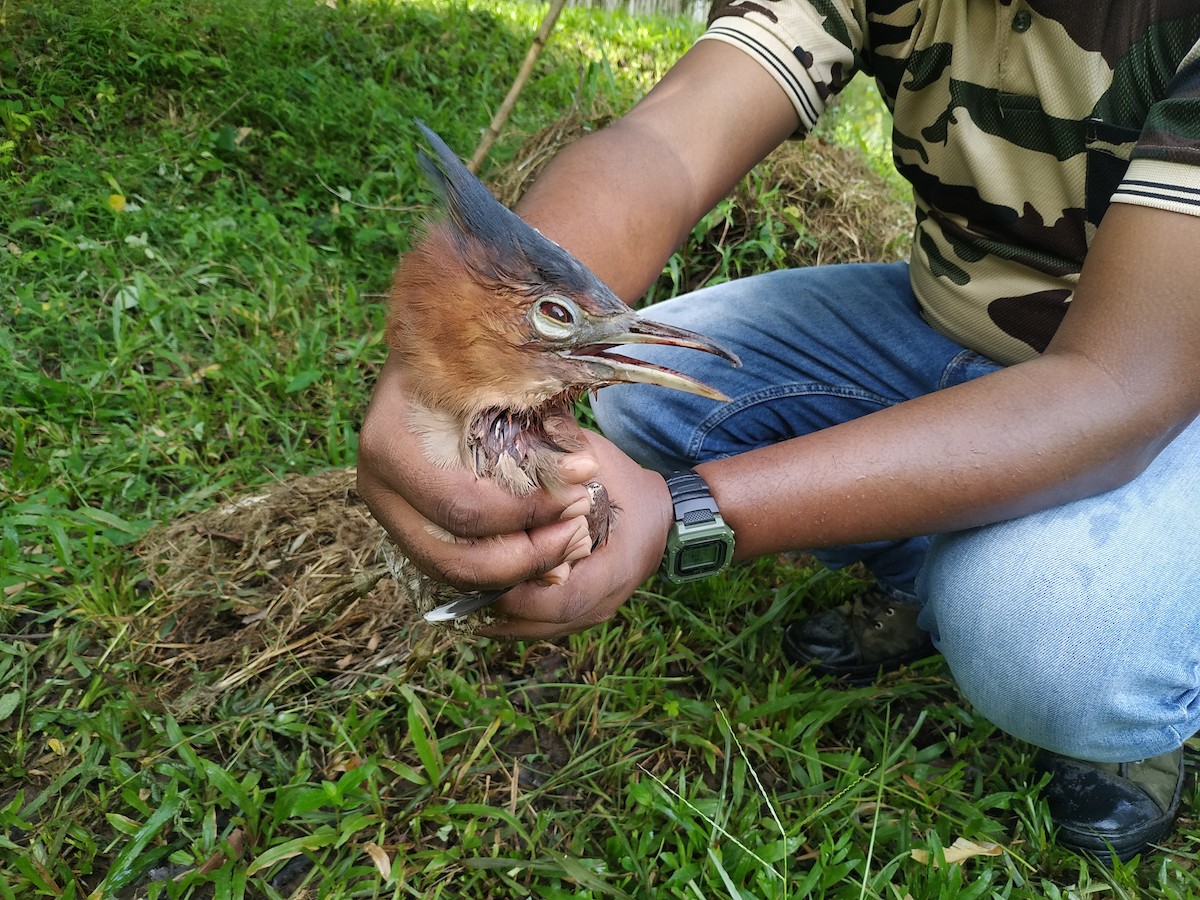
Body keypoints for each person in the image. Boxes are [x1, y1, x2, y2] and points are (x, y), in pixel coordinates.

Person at [359, 1, 1200, 860]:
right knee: (654, 403)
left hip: (1164, 377)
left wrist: (683, 513)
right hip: (949, 321)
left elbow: (1116, 385)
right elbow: (670, 142)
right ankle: (928, 573)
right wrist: (447, 355)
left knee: (1054, 635)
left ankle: (1135, 707)